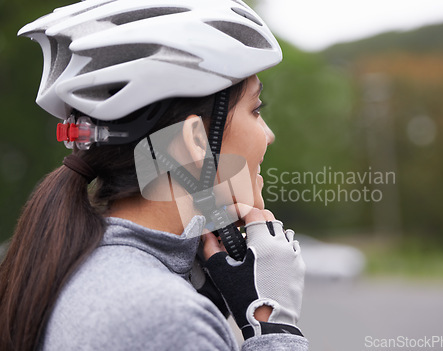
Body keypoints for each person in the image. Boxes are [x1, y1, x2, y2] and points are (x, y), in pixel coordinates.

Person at [0, 0, 308, 350]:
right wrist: (274, 329)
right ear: (195, 141)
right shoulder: (165, 319)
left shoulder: (88, 266)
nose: (269, 135)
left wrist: (203, 298)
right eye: (255, 109)